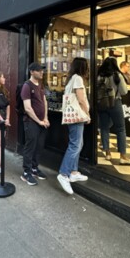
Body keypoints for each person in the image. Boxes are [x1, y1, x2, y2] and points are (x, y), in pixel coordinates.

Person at [57, 58, 90, 195]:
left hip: (72, 116)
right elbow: (81, 99)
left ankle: (74, 172)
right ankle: (64, 174)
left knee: (78, 144)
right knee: (75, 145)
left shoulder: (71, 78)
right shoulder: (78, 78)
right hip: (77, 116)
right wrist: (87, 114)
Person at [97, 57, 130, 164]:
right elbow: (124, 91)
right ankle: (123, 156)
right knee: (121, 129)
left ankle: (107, 153)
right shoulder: (117, 75)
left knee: (104, 127)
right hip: (115, 102)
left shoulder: (99, 76)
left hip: (101, 103)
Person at [20, 62, 49, 186]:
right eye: (39, 70)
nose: (42, 72)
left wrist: (46, 118)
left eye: (42, 70)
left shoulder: (40, 85)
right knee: (30, 147)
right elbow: (27, 108)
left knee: (39, 146)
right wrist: (39, 121)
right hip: (31, 122)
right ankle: (26, 173)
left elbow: (44, 102)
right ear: (32, 72)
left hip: (42, 122)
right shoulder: (27, 86)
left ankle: (34, 168)